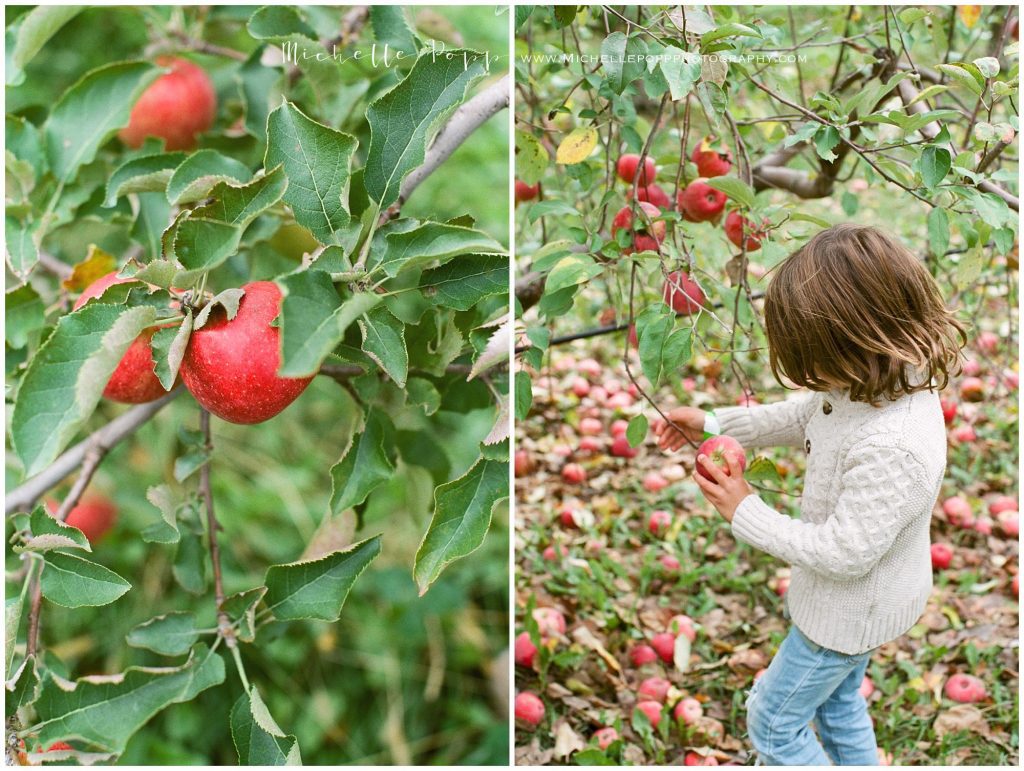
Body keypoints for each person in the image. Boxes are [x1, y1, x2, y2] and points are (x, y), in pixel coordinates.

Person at [655, 224, 966, 765]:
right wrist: (713, 422)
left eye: (811, 358)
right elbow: (807, 412)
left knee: (773, 723)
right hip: (860, 606)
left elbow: (845, 554)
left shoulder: (893, 443)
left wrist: (744, 509)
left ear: (858, 339)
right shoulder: (875, 380)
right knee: (840, 705)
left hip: (848, 617)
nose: (807, 377)